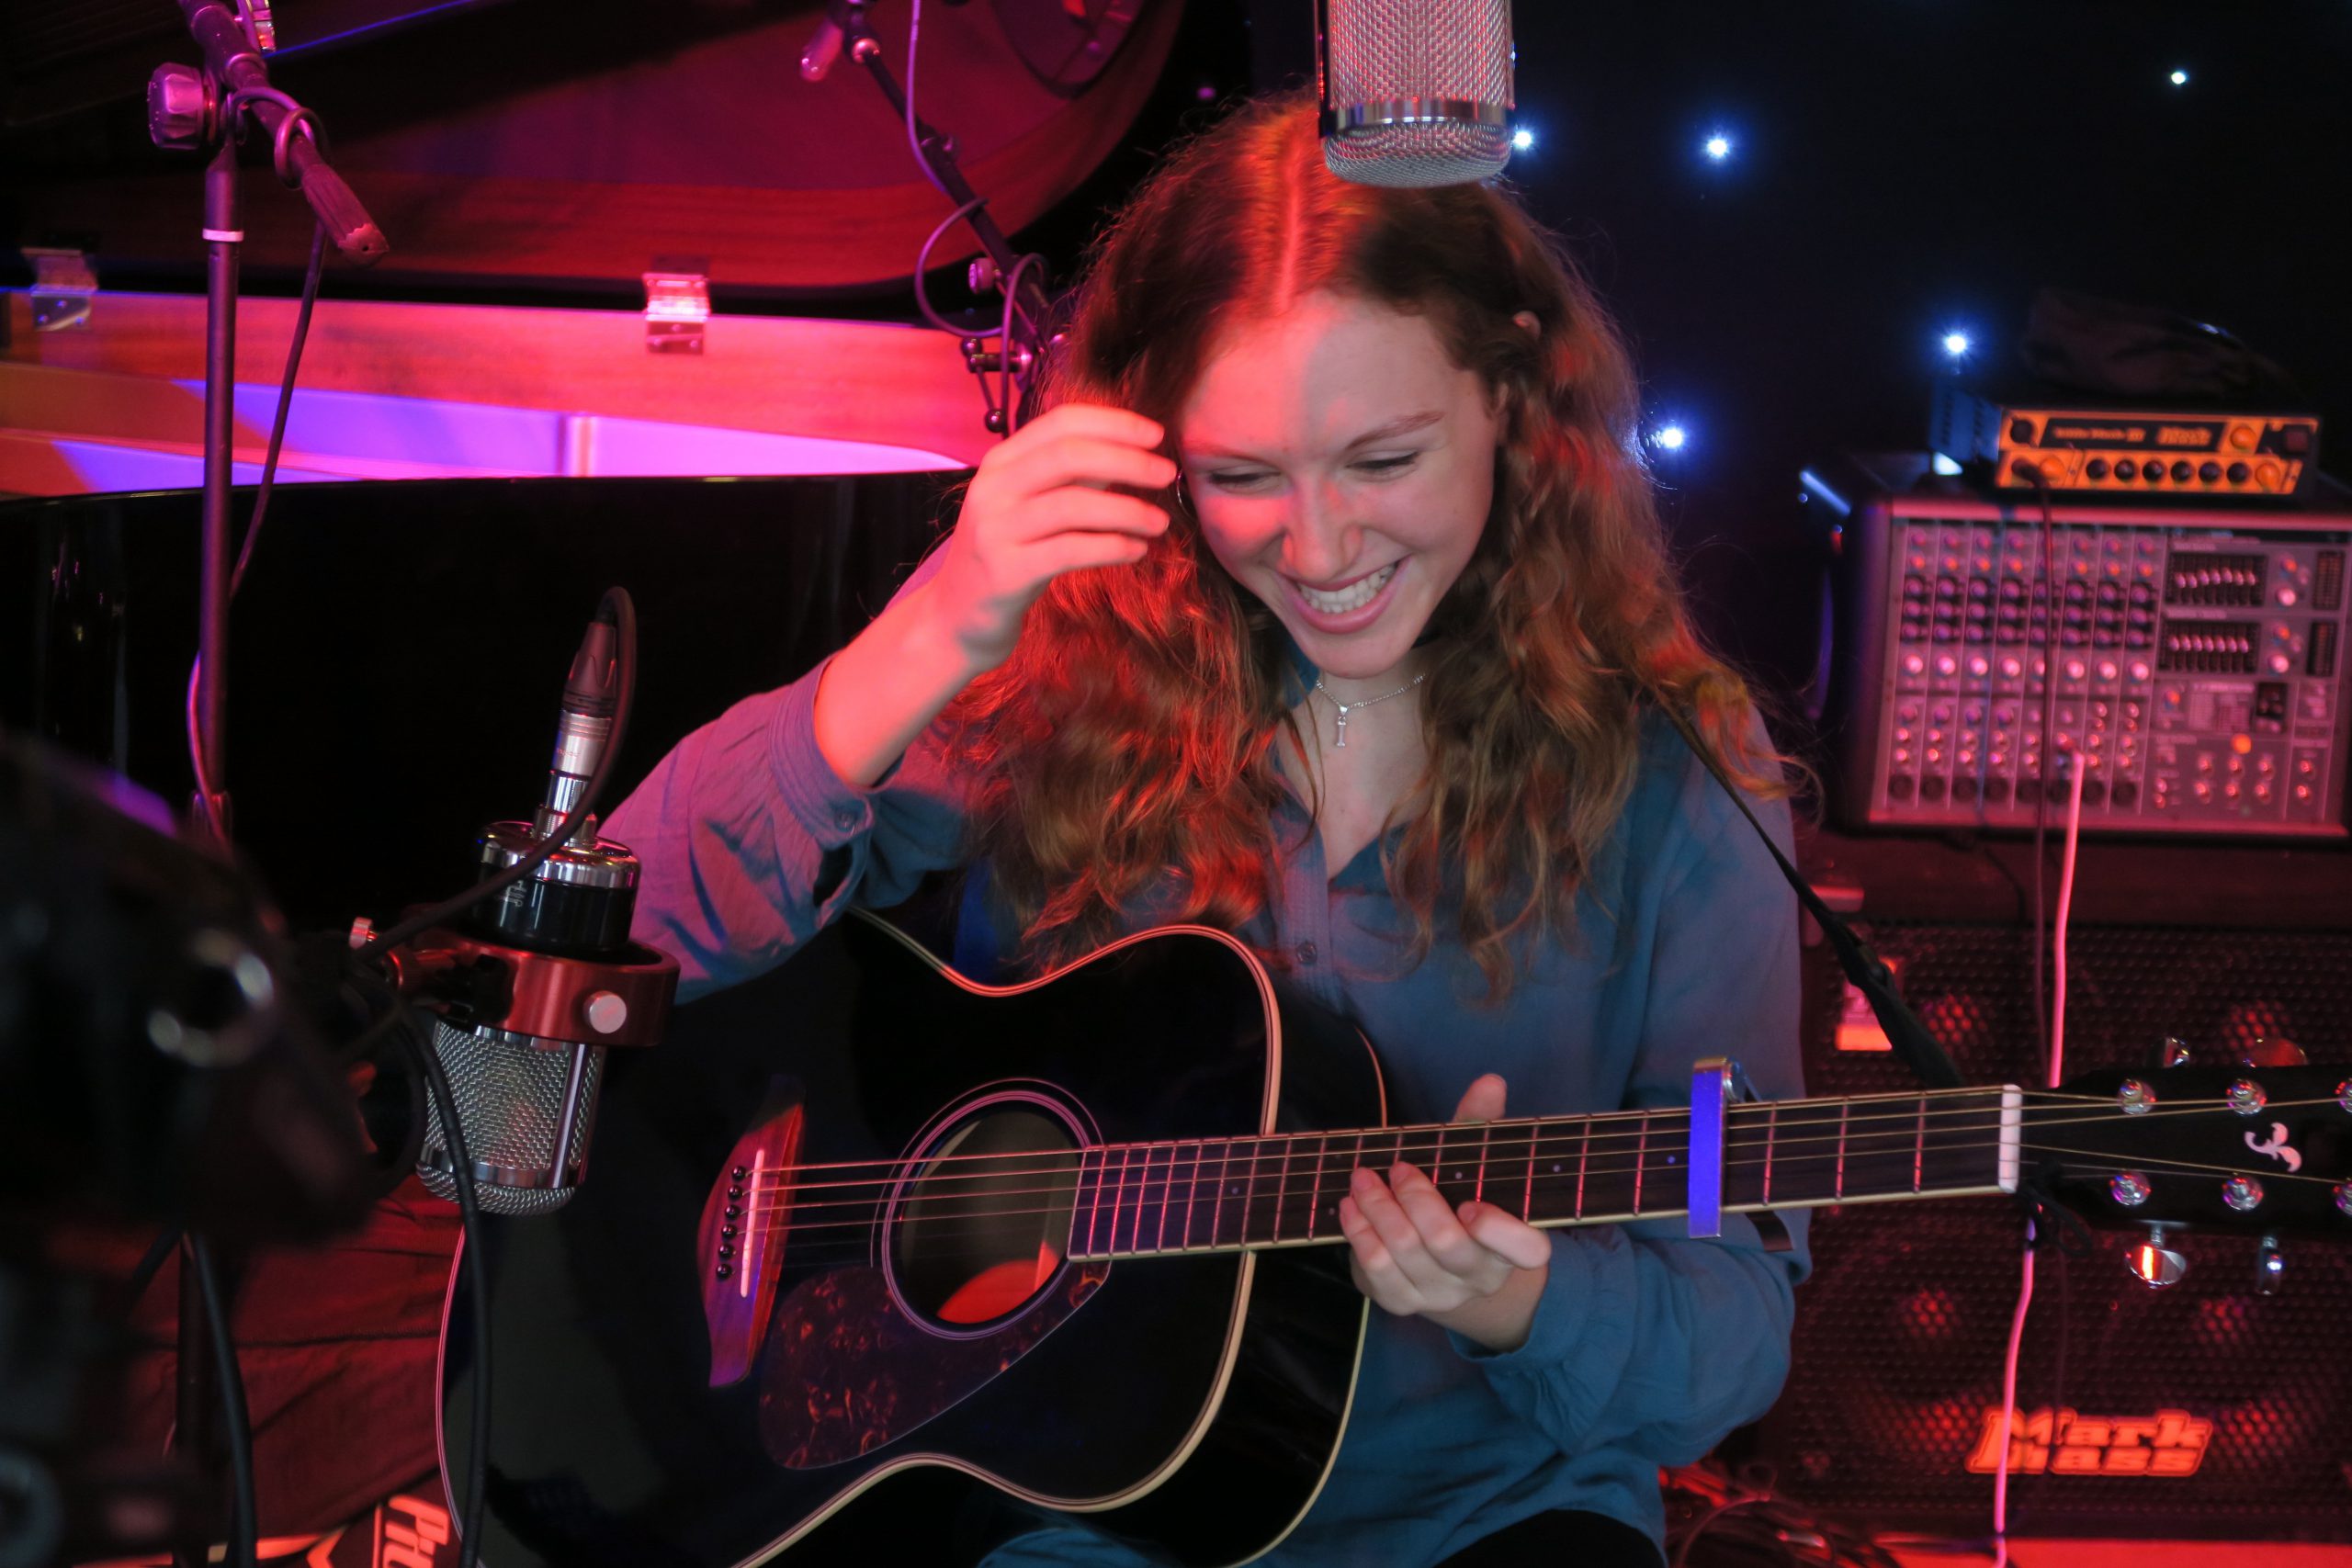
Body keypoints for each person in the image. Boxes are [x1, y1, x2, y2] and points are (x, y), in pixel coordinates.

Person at [608, 89, 1808, 1568]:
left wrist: (1524, 1302)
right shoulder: (1052, 683)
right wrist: (924, 635)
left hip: (1483, 1518)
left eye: (1383, 461)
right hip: (1060, 1527)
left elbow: (1737, 1327)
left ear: (1510, 398)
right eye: (1243, 477)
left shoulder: (1679, 764)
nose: (1318, 550)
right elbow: (582, 966)